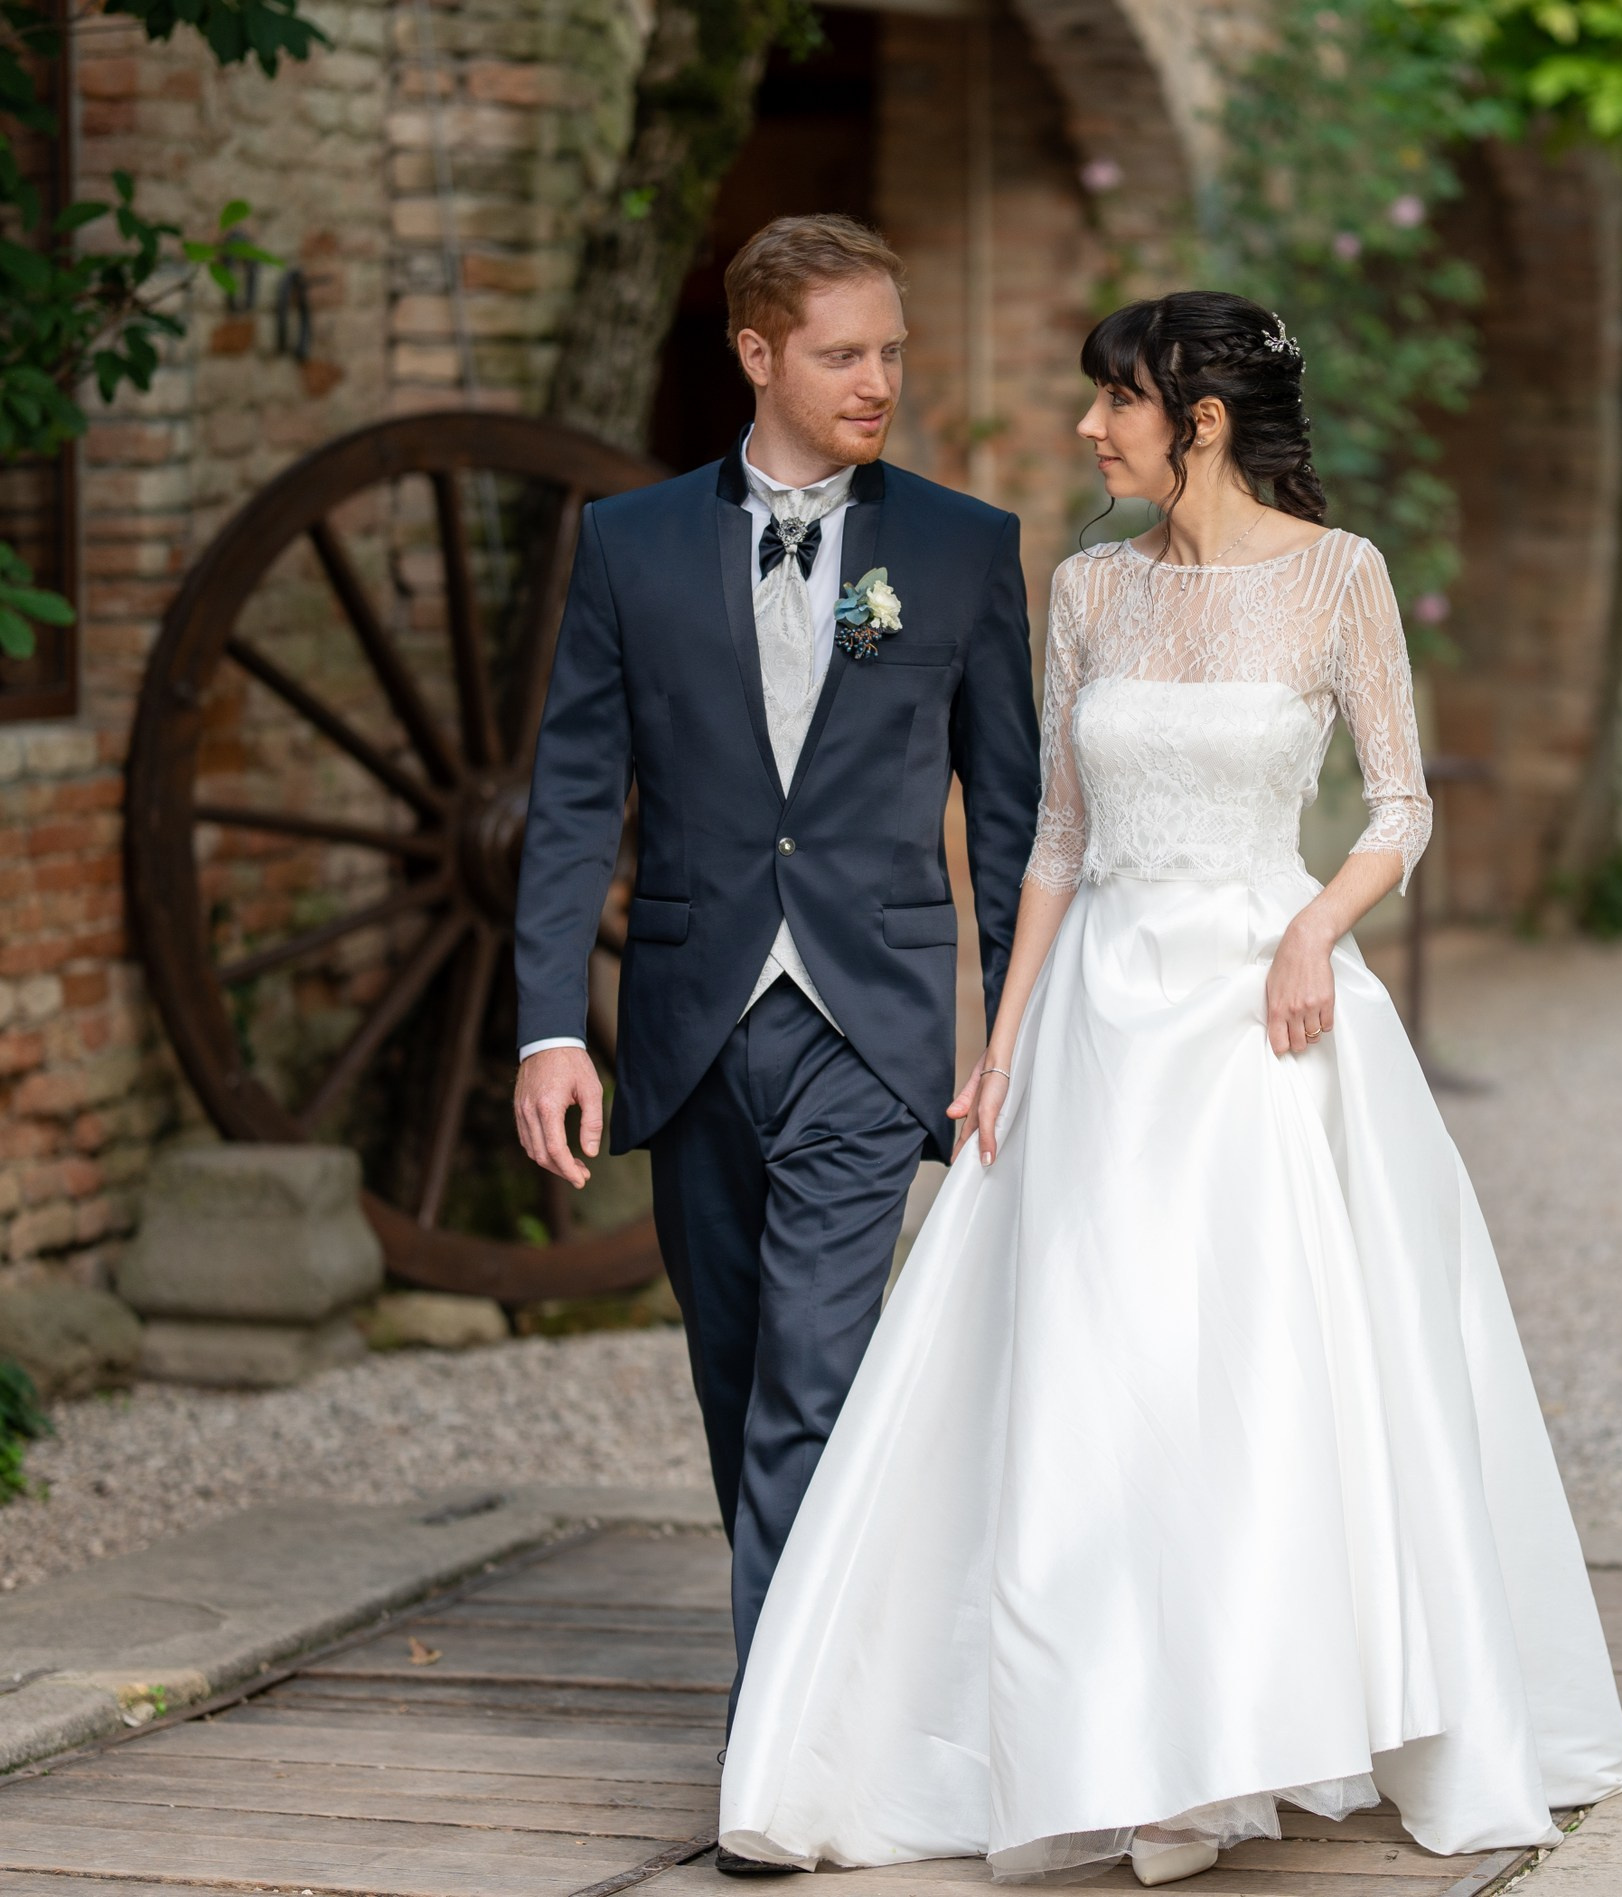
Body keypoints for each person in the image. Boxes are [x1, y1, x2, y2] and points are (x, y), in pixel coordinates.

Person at [716, 291, 1622, 1885]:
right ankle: (1120, 1737)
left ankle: (1243, 1726)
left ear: (1198, 419)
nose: (1091, 430)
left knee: (1262, 1376)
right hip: (1102, 1021)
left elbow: (1401, 808)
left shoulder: (1341, 578)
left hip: (1263, 1019)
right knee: (1097, 1368)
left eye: (1117, 404)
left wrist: (1311, 929)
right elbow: (1057, 835)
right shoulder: (1087, 589)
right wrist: (1003, 1034)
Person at [509, 214, 1042, 1881]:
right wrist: (548, 1027)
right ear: (757, 355)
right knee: (737, 1379)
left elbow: (1015, 816)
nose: (880, 379)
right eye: (843, 353)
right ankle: (831, 1678)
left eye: (892, 350)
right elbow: (573, 801)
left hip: (872, 1034)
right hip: (684, 1027)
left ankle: (781, 1749)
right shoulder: (632, 545)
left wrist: (1018, 1033)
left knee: (812, 1383)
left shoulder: (960, 551)